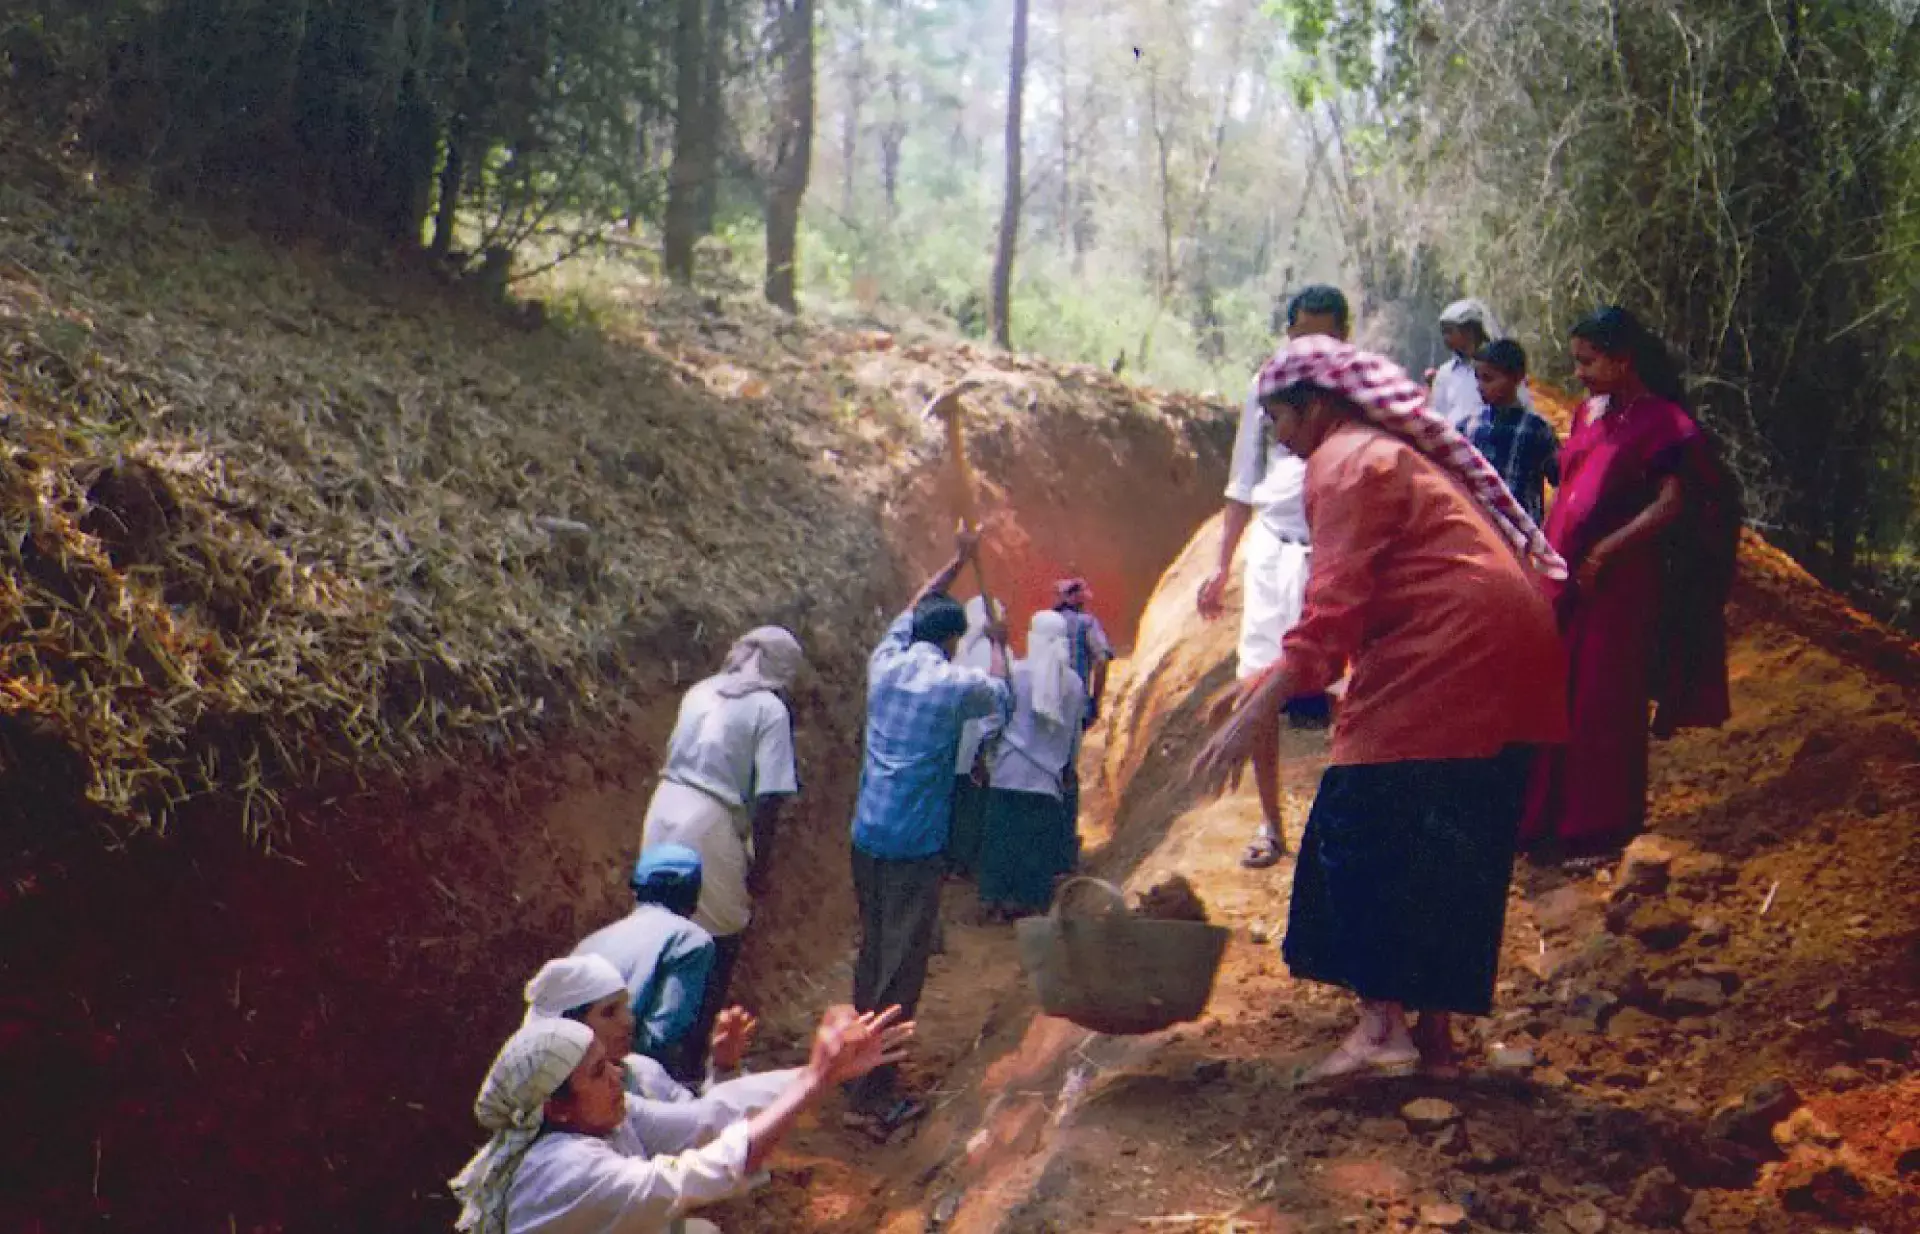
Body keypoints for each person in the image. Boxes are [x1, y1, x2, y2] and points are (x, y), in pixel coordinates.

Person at [1193, 334, 1569, 1080]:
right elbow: (1355, 614)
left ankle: (1380, 1029)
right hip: (1504, 650)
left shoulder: (1345, 463)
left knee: (1359, 825)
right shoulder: (1386, 456)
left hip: (1450, 653)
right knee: (1450, 847)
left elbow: (1332, 616)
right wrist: (1269, 681)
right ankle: (1435, 1041)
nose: (1281, 439)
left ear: (1317, 406)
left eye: (1281, 420)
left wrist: (1256, 711)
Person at [1520, 307, 1737, 866]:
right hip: (1568, 576)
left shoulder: (1664, 422)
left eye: (1588, 362)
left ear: (1623, 361)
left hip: (1620, 583)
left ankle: (1599, 827)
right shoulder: (1589, 413)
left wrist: (1608, 548)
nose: (1579, 373)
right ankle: (1545, 818)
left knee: (1602, 699)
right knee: (1555, 692)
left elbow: (1673, 501)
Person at [449, 1005, 909, 1234]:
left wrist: (818, 1075)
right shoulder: (561, 1171)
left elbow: (706, 1120)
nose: (616, 1077)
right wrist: (813, 1081)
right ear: (556, 1107)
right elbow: (692, 1176)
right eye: (598, 1072)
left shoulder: (605, 1116)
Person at [847, 528, 1011, 1134]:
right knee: (901, 971)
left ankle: (851, 1065)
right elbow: (1003, 697)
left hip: (867, 834)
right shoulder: (953, 686)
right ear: (952, 642)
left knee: (873, 952)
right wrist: (999, 646)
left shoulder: (884, 662)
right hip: (914, 845)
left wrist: (954, 563)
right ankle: (873, 1095)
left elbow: (915, 606)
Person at [1196, 284, 1348, 870]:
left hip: (1333, 548)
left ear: (1342, 336)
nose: (1312, 345)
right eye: (1303, 333)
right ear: (1288, 333)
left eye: (1325, 335)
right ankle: (1270, 823)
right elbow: (1242, 479)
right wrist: (1220, 566)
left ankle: (1340, 822)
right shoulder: (1266, 385)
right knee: (1258, 678)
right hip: (1272, 548)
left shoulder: (1354, 390)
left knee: (1344, 688)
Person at [638, 626, 802, 1077]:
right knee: (718, 939)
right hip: (708, 822)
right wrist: (759, 868)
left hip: (662, 810)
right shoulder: (769, 709)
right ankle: (690, 1064)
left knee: (660, 931)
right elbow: (770, 798)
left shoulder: (700, 690)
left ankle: (648, 1056)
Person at [523, 955, 796, 1113]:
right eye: (609, 1012)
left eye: (625, 1008)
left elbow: (700, 1124)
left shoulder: (643, 1073)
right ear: (570, 1028)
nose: (628, 1021)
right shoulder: (550, 1110)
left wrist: (724, 1067)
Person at [975, 610, 1089, 920]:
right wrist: (1069, 766)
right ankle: (1029, 905)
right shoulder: (1074, 684)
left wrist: (982, 753)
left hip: (1008, 772)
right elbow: (1074, 733)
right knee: (1036, 846)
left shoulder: (1016, 674)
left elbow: (994, 718)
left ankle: (995, 902)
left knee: (1002, 840)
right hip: (1047, 779)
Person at [575, 846, 716, 1083]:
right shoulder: (690, 940)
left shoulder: (590, 943)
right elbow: (663, 1038)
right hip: (622, 1079)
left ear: (636, 889)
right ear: (693, 895)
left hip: (577, 1076)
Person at [1466, 339, 1561, 525]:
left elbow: (1561, 480)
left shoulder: (1536, 430)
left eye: (1488, 379)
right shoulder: (1470, 427)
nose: (1480, 386)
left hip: (1521, 529)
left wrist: (1550, 523)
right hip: (1479, 526)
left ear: (1516, 378)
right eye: (1478, 378)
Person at [1048, 577, 1112, 854]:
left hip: (1042, 708)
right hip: (1074, 709)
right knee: (1066, 771)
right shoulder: (1087, 623)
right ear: (1078, 598)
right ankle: (1063, 841)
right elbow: (1102, 657)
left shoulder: (1044, 625)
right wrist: (1096, 699)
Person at [945, 596, 1004, 881]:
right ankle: (965, 860)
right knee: (972, 803)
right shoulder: (992, 654)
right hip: (977, 745)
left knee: (954, 801)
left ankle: (951, 860)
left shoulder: (956, 651)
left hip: (950, 742)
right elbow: (997, 702)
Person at [1428, 299, 1533, 432]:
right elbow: (1437, 415)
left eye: (1449, 331)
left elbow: (1521, 404)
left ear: (1469, 330)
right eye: (1443, 332)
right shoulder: (1445, 373)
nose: (1446, 338)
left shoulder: (1501, 367)